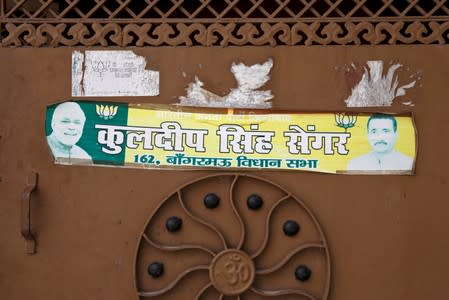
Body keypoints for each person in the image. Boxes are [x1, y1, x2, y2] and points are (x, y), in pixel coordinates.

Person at [347, 113, 413, 171]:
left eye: (386, 131)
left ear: (396, 134)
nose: (380, 137)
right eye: (374, 132)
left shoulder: (409, 163)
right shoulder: (355, 164)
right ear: (368, 135)